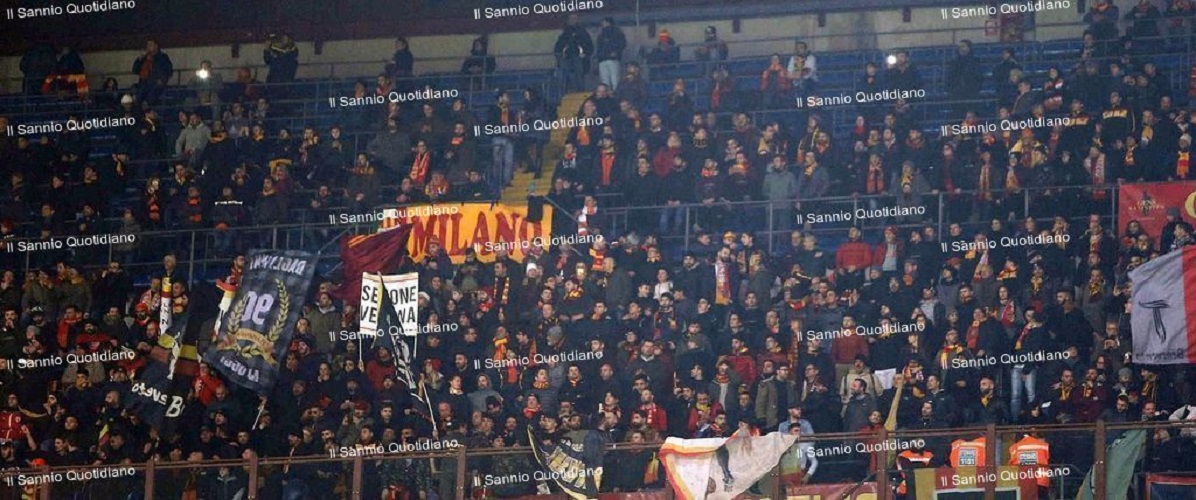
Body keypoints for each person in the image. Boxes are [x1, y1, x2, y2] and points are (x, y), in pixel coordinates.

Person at [555, 14, 594, 92]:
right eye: (571, 19)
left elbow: (588, 44)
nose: (573, 20)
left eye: (575, 18)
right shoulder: (565, 32)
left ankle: (580, 93)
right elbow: (559, 45)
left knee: (579, 77)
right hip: (567, 58)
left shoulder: (582, 32)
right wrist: (559, 54)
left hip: (579, 58)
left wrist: (586, 54)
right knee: (568, 77)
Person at [131, 39, 174, 105]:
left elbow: (168, 70)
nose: (148, 47)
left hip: (155, 83)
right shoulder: (144, 58)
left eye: (150, 45)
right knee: (134, 88)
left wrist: (162, 80)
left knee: (153, 92)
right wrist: (139, 59)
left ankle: (146, 104)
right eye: (147, 45)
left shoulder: (163, 57)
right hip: (143, 83)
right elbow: (135, 70)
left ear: (156, 46)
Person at [595, 17, 626, 92]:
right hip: (604, 58)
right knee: (607, 80)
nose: (602, 24)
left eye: (604, 22)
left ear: (608, 22)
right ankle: (608, 94)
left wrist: (615, 51)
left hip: (610, 58)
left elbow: (622, 44)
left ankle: (615, 94)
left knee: (612, 79)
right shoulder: (602, 34)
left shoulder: (616, 33)